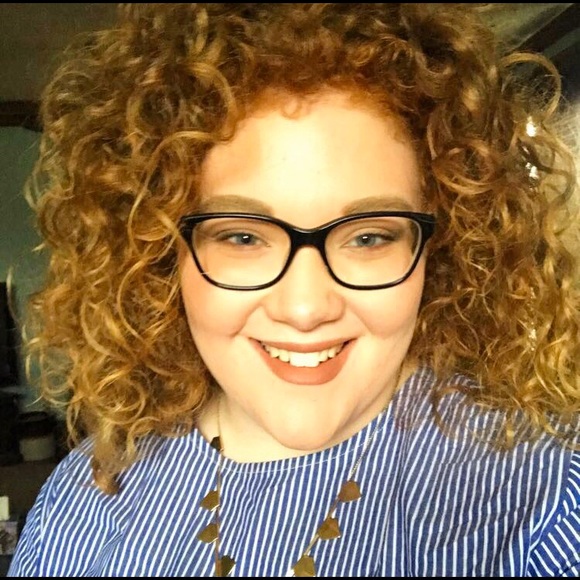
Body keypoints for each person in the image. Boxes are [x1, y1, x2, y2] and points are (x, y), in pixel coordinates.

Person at [7, 3, 580, 577]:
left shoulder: (543, 498)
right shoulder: (86, 497)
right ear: (157, 251)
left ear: (439, 247)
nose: (305, 308)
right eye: (241, 236)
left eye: (368, 237)